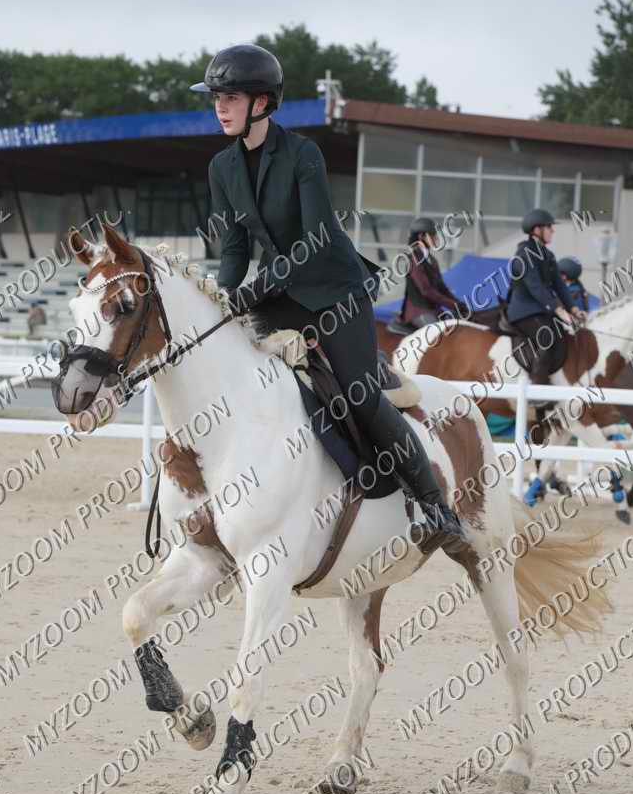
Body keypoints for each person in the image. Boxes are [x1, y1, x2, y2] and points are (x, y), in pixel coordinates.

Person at [194, 43, 467, 554]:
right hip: (278, 292)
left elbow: (313, 242)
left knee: (360, 393)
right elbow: (233, 249)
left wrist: (254, 289)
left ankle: (434, 505)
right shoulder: (221, 168)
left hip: (333, 289)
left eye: (230, 97)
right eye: (216, 98)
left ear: (261, 103)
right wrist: (224, 299)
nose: (220, 107)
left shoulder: (303, 155)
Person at [506, 209, 586, 400]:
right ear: (537, 230)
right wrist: (559, 310)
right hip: (524, 310)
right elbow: (536, 288)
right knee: (546, 336)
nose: (553, 230)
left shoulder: (547, 254)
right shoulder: (524, 254)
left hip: (541, 311)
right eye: (549, 227)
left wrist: (574, 309)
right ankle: (537, 390)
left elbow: (559, 286)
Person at [400, 217, 463, 328]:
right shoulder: (413, 259)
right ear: (421, 236)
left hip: (433, 311)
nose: (437, 238)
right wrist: (452, 304)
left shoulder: (432, 260)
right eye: (433, 235)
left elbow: (442, 288)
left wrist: (459, 304)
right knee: (440, 333)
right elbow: (426, 290)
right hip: (419, 311)